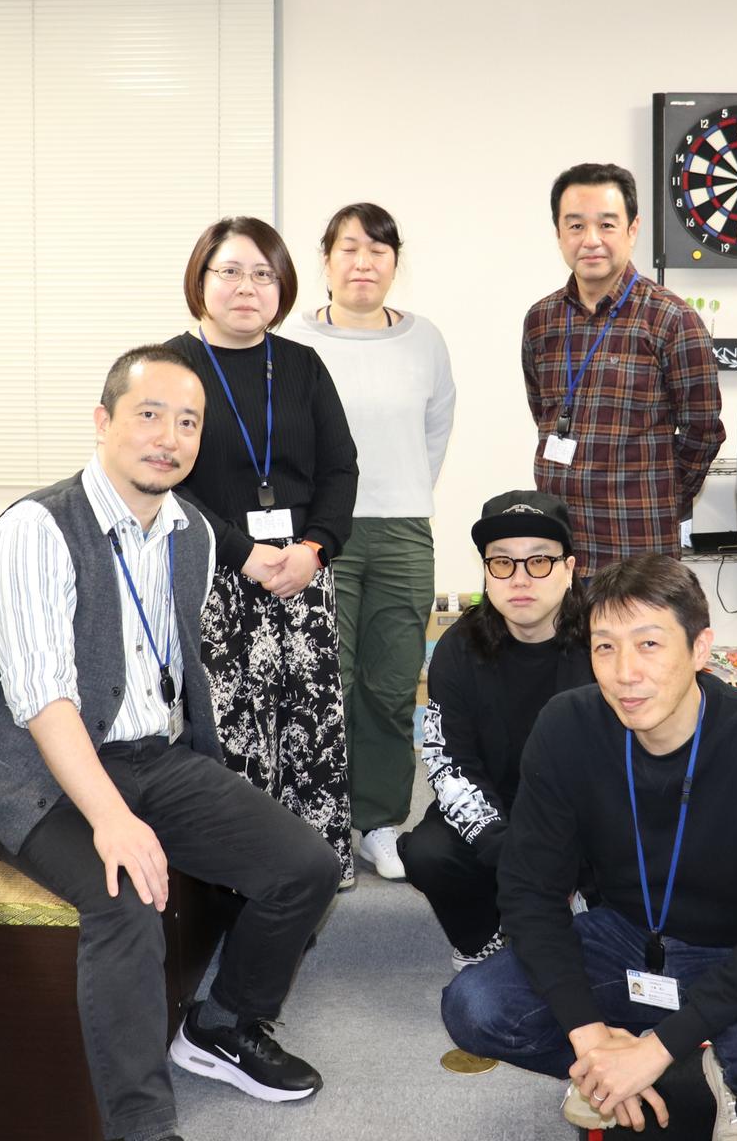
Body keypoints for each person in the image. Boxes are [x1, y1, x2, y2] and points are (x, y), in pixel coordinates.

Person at [0, 344, 337, 1141]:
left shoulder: (189, 531)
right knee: (126, 899)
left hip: (151, 757)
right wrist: (111, 819)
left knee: (305, 865)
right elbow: (44, 701)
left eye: (188, 422)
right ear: (103, 422)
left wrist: (197, 779)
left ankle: (221, 1026)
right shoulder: (35, 530)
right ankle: (141, 1125)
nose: (169, 437)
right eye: (149, 415)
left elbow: (174, 670)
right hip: (37, 777)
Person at [441, 554, 737, 1140]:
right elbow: (530, 893)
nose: (625, 673)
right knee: (474, 1006)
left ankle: (702, 1070)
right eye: (605, 647)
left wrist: (657, 1051)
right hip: (623, 936)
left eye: (649, 644)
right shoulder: (566, 727)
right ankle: (605, 1069)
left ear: (700, 649)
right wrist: (589, 1039)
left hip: (735, 949)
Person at [163, 217, 361, 886]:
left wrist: (316, 548)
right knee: (229, 735)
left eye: (263, 274)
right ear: (201, 279)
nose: (247, 287)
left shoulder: (302, 366)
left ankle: (308, 878)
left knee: (308, 730)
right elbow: (164, 480)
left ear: (282, 287)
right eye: (230, 271)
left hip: (302, 576)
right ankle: (233, 886)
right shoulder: (171, 369)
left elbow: (340, 469)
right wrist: (241, 551)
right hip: (211, 576)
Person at [283, 201, 456, 882]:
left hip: (404, 531)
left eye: (378, 250)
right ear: (325, 261)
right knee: (326, 681)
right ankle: (319, 823)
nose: (363, 262)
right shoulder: (293, 341)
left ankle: (380, 820)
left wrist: (402, 493)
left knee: (389, 684)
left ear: (394, 262)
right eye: (349, 249)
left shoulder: (425, 340)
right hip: (321, 534)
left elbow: (435, 429)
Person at [396, 489, 593, 967]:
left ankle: (581, 913)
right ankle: (482, 940)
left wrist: (564, 860)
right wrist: (512, 855)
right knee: (427, 853)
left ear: (569, 568)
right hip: (495, 809)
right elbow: (449, 764)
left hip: (583, 818)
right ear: (486, 571)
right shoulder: (459, 646)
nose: (520, 578)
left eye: (539, 561)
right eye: (502, 562)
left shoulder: (602, 641)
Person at [521, 162, 724, 575]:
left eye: (606, 225)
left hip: (637, 544)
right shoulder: (541, 320)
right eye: (575, 226)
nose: (591, 240)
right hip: (559, 547)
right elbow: (543, 412)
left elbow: (703, 432)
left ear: (632, 229)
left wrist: (661, 493)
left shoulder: (671, 319)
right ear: (558, 234)